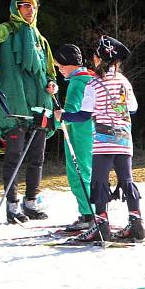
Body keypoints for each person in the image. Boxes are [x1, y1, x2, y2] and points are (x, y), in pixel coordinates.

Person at [0, 0, 57, 223]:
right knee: (15, 156)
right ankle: (12, 205)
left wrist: (53, 84)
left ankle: (31, 201)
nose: (29, 10)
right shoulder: (5, 30)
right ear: (15, 8)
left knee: (37, 157)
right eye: (24, 6)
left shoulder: (41, 41)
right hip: (13, 107)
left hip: (40, 106)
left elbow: (49, 72)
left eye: (32, 6)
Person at [55, 35, 143, 242]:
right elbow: (133, 108)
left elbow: (83, 114)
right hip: (124, 138)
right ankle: (136, 222)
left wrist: (63, 115)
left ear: (99, 59)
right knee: (126, 180)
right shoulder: (124, 81)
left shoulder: (93, 84)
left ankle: (101, 225)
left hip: (103, 139)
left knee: (99, 181)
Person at [53, 44, 96, 232]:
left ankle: (88, 215)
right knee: (91, 172)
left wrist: (52, 121)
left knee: (79, 174)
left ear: (68, 63)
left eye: (60, 65)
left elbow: (70, 114)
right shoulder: (91, 77)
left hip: (79, 136)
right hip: (95, 133)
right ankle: (95, 211)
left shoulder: (77, 83)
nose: (59, 69)